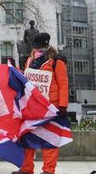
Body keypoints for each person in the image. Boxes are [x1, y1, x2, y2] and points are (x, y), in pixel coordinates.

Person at [12, 32, 69, 174]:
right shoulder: (30, 59)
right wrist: (14, 69)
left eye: (39, 47)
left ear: (46, 45)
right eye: (35, 47)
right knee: (26, 137)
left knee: (49, 140)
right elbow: (25, 79)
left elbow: (63, 84)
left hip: (51, 108)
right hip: (32, 107)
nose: (37, 50)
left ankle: (48, 170)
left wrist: (63, 105)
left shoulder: (57, 61)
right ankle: (26, 168)